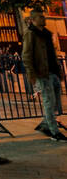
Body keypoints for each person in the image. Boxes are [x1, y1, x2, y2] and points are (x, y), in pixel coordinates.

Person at [21, 9, 67, 142]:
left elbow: (51, 54)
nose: (43, 19)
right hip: (43, 73)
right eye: (40, 17)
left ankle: (46, 124)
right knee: (49, 101)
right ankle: (54, 132)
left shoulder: (46, 34)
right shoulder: (30, 34)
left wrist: (59, 71)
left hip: (52, 72)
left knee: (55, 102)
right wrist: (31, 73)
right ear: (33, 20)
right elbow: (27, 55)